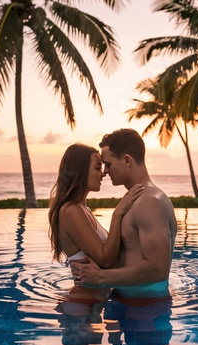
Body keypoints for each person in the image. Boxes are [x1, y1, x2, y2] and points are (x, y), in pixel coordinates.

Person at [71, 128, 178, 299]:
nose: (105, 171)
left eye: (108, 164)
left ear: (127, 160)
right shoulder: (136, 199)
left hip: (146, 311)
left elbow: (158, 269)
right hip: (128, 304)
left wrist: (100, 277)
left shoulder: (151, 202)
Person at [48, 143, 144, 303]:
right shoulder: (71, 211)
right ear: (80, 170)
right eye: (97, 168)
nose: (103, 173)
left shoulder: (82, 209)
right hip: (81, 307)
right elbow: (106, 260)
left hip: (93, 302)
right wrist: (117, 214)